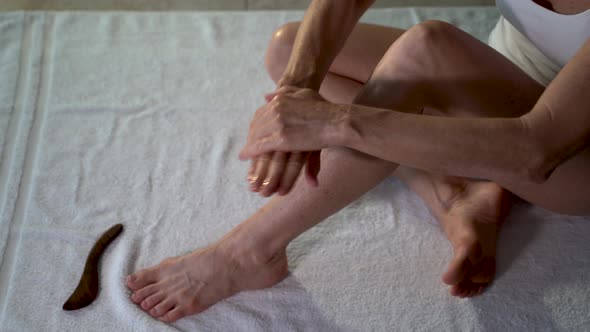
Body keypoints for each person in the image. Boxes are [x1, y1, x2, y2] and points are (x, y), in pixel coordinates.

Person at [126, 0, 590, 323]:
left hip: (570, 157)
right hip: (509, 79)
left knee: (427, 48)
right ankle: (451, 191)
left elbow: (536, 149)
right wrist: (296, 92)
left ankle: (248, 251)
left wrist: (330, 122)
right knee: (292, 48)